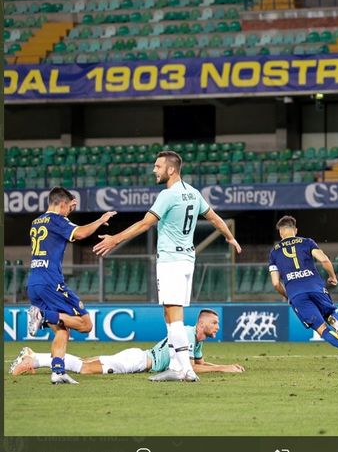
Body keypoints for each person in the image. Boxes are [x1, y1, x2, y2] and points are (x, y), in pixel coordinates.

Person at [93, 151, 241, 382]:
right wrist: (230, 237)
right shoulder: (193, 193)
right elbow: (215, 218)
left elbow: (145, 224)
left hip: (171, 260)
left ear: (171, 170)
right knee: (170, 315)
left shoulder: (167, 195)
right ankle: (175, 365)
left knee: (175, 317)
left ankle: (185, 370)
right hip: (186, 261)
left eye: (158, 166)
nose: (154, 170)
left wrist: (115, 239)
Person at [26, 187, 116, 384]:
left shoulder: (36, 222)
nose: (69, 211)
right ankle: (42, 315)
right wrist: (101, 220)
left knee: (62, 329)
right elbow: (81, 233)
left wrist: (67, 213)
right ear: (62, 204)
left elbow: (59, 228)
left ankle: (58, 371)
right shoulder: (57, 220)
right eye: (68, 208)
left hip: (34, 282)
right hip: (51, 282)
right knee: (86, 324)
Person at [10, 309, 244, 377]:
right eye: (214, 323)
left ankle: (37, 358)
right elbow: (192, 368)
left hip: (141, 359)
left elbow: (198, 363)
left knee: (87, 364)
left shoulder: (196, 339)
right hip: (139, 360)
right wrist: (225, 368)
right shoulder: (185, 332)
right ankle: (36, 358)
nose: (217, 327)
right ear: (202, 324)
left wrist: (223, 365)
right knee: (86, 368)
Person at [268, 215, 338, 363]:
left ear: (280, 232)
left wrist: (288, 295)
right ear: (295, 230)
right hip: (316, 287)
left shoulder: (274, 252)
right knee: (329, 312)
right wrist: (333, 276)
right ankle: (335, 322)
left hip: (296, 294)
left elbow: (275, 283)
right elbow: (324, 259)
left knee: (322, 329)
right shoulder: (307, 242)